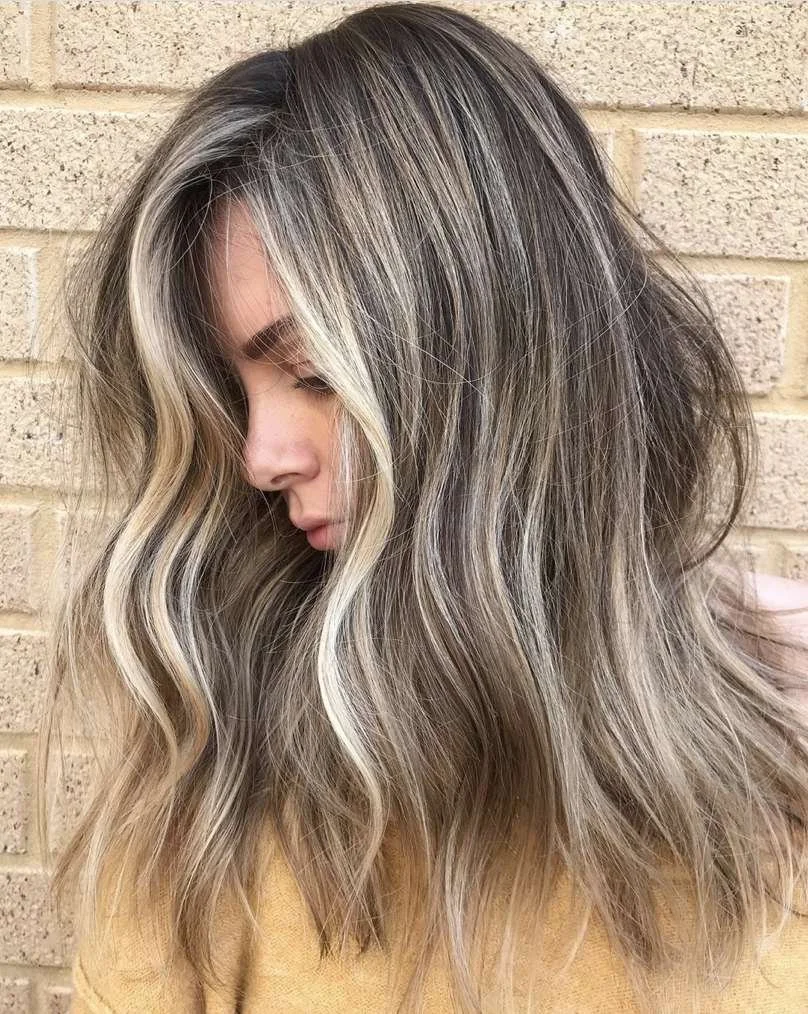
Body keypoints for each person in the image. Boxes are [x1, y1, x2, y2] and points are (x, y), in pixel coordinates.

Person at [36, 3, 808, 1012]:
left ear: (503, 368)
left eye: (311, 373)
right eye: (236, 396)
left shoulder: (771, 773)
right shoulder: (210, 802)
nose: (261, 457)